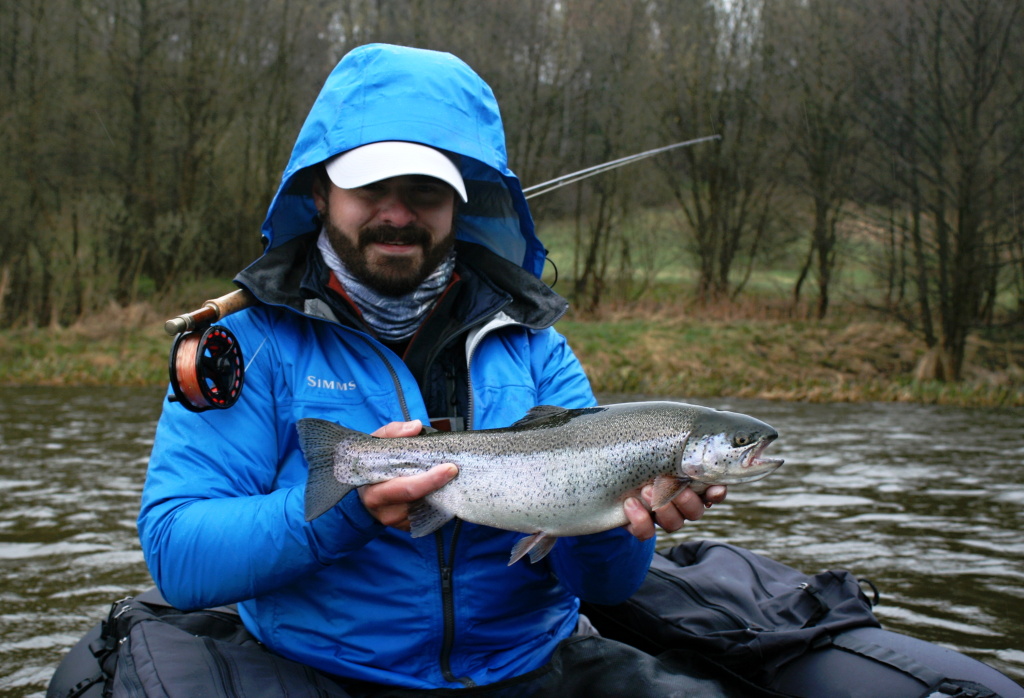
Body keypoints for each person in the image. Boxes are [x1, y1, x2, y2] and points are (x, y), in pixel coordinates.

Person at [138, 43, 728, 695]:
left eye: (424, 191)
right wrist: (349, 511)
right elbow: (177, 556)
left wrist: (618, 522)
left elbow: (606, 587)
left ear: (459, 202)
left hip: (531, 665)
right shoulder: (250, 344)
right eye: (370, 187)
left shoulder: (534, 343)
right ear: (320, 193)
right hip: (325, 674)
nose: (397, 214)